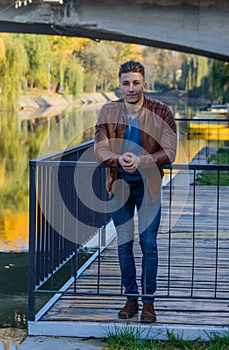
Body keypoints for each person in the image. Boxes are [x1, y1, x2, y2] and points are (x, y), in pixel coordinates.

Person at [94, 60, 177, 323]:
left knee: (149, 244)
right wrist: (118, 160)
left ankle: (149, 304)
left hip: (149, 185)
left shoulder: (161, 111)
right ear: (119, 85)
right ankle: (131, 298)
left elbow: (170, 152)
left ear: (144, 84)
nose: (131, 88)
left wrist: (142, 161)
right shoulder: (108, 111)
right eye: (126, 83)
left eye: (136, 83)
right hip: (118, 184)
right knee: (124, 244)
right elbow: (100, 149)